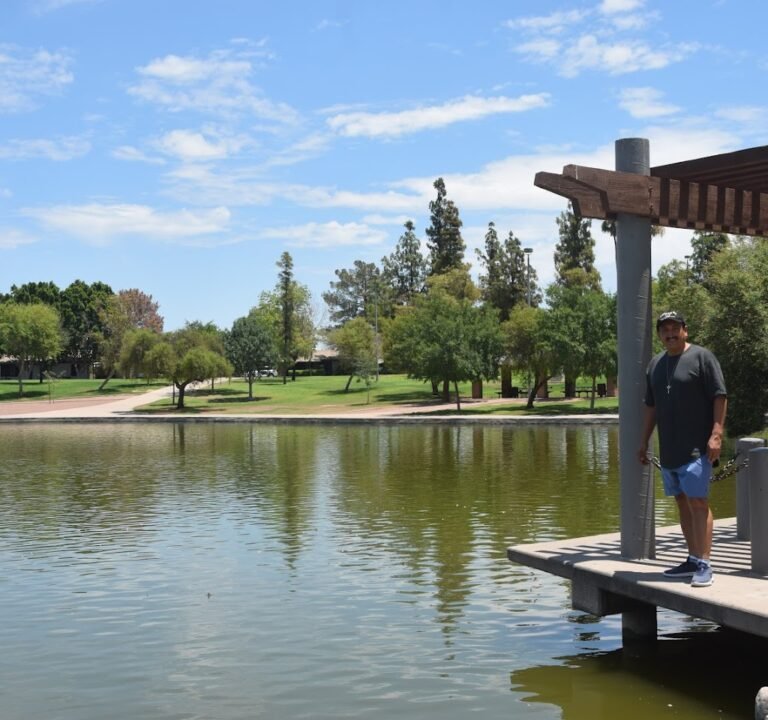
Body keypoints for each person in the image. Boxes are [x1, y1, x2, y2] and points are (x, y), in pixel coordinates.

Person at [638, 311, 727, 588]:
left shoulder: (702, 357)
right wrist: (644, 441)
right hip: (670, 450)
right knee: (681, 501)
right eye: (665, 329)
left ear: (685, 331)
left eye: (675, 328)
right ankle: (692, 558)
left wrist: (716, 434)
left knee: (698, 501)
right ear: (659, 335)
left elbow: (719, 395)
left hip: (696, 448)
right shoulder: (655, 365)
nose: (670, 333)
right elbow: (651, 406)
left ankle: (705, 563)